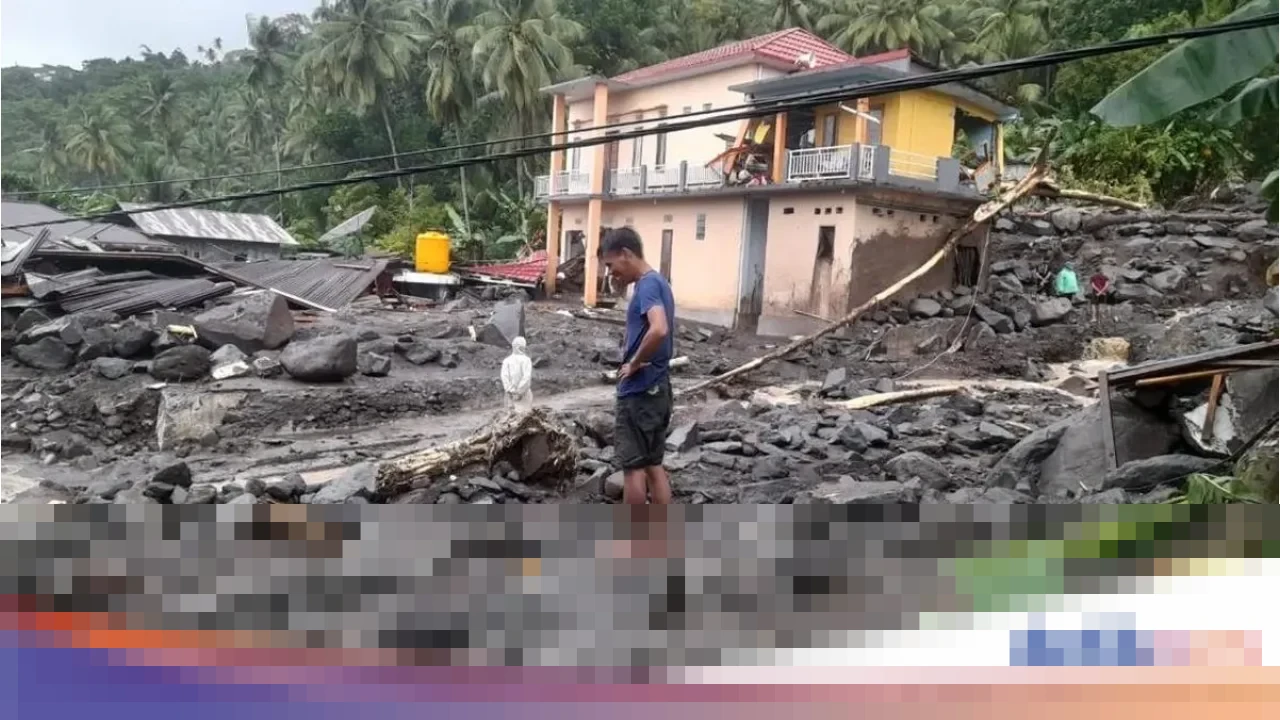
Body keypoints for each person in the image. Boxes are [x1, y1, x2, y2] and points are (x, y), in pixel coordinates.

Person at [601, 227, 675, 505]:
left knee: (633, 470)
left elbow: (659, 329)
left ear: (626, 253)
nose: (611, 273)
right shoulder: (660, 282)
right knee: (653, 466)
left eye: (611, 265)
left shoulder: (647, 285)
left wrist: (634, 363)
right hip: (658, 388)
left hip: (640, 392)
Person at [500, 336, 533, 412]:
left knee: (510, 415)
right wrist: (518, 392)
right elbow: (526, 377)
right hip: (523, 394)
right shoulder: (526, 360)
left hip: (510, 395)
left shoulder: (506, 361)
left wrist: (510, 390)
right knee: (524, 415)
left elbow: (504, 377)